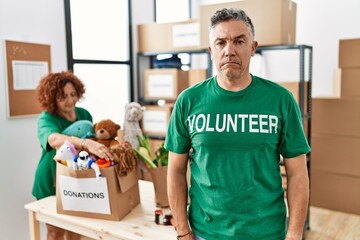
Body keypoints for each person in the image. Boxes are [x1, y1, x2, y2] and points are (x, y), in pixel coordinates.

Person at [165, 8, 310, 240]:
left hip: (267, 233)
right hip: (206, 232)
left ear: (253, 48)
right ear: (211, 50)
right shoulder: (188, 101)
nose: (229, 51)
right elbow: (175, 170)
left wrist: (294, 235)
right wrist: (183, 231)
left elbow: (297, 174)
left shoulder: (281, 100)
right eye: (220, 43)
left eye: (239, 41)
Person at [32, 71, 115, 240]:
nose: (70, 100)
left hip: (78, 178)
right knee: (55, 231)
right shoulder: (47, 118)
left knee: (75, 230)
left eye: (73, 94)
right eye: (63, 96)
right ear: (52, 97)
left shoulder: (84, 114)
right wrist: (85, 143)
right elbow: (54, 139)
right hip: (51, 179)